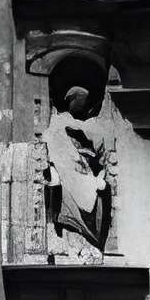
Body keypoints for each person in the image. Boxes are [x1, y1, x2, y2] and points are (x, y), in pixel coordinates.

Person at [45, 85, 112, 253]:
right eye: (81, 101)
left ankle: (94, 238)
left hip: (79, 170)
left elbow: (91, 136)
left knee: (99, 187)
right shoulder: (61, 120)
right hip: (66, 170)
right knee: (90, 187)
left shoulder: (80, 124)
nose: (84, 105)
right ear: (72, 101)